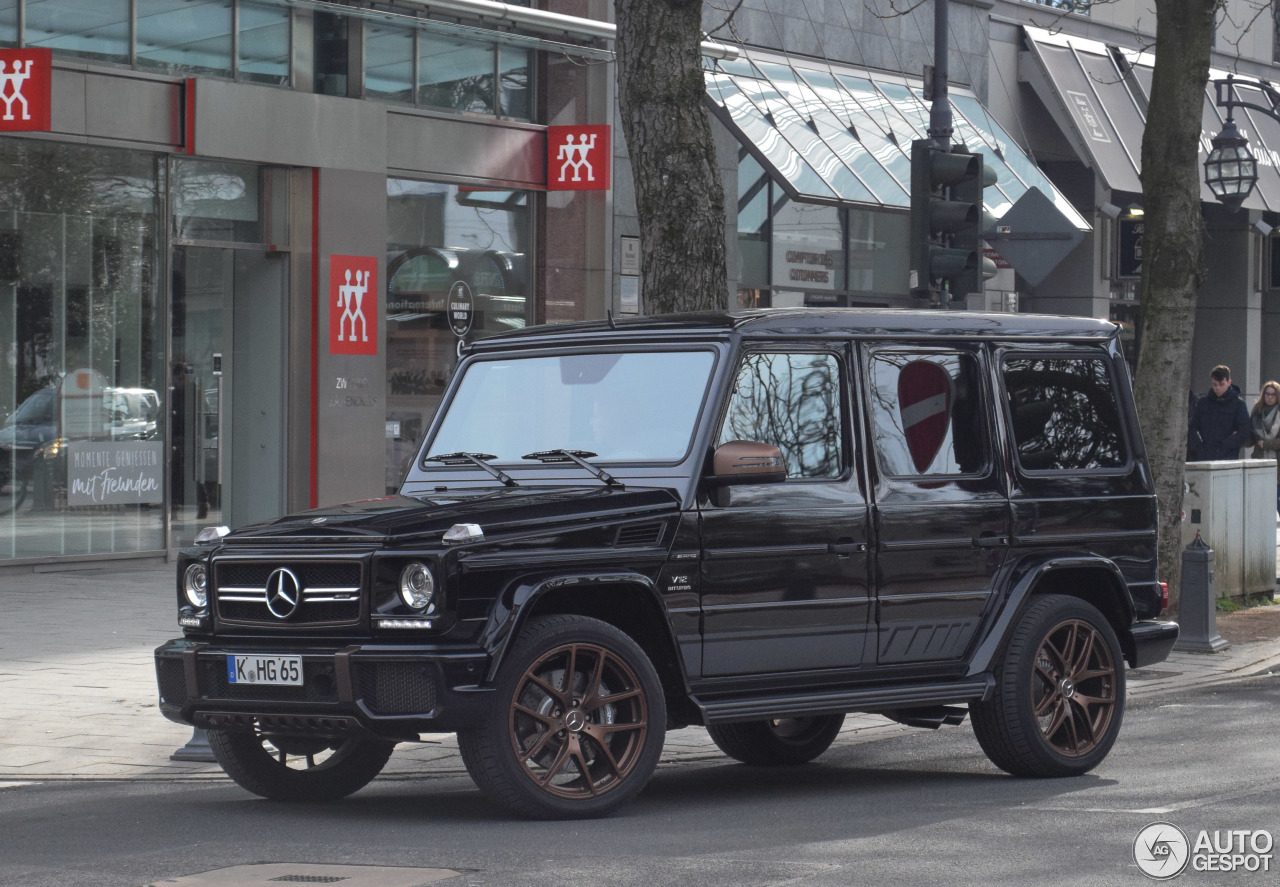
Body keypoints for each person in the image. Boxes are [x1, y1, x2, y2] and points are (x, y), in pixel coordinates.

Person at [1188, 364, 1251, 461]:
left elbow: (1244, 431)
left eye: (1221, 384)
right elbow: (1193, 427)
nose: (1218, 388)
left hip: (1228, 456)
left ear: (1229, 382)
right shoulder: (1203, 403)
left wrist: (1226, 445)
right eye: (1214, 384)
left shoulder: (1238, 404)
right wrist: (1199, 446)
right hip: (1205, 454)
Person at [1249, 380, 1280, 515]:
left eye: (1273, 394)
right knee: (1262, 498)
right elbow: (1250, 434)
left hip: (1277, 461)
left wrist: (1268, 444)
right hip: (1260, 459)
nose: (1270, 397)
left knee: (1277, 498)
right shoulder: (1257, 411)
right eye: (1267, 394)